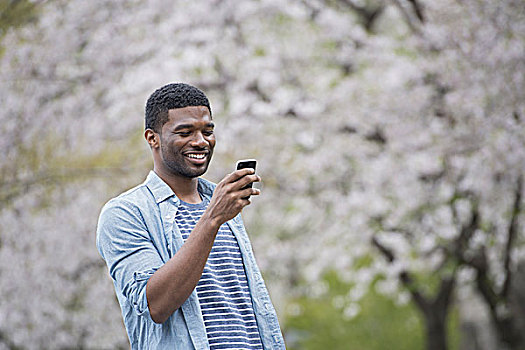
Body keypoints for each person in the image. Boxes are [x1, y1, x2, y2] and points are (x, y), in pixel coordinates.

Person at [96, 83, 285, 349]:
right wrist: (211, 220)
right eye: (185, 132)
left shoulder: (218, 201)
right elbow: (156, 304)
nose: (200, 141)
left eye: (207, 131)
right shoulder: (125, 213)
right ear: (153, 138)